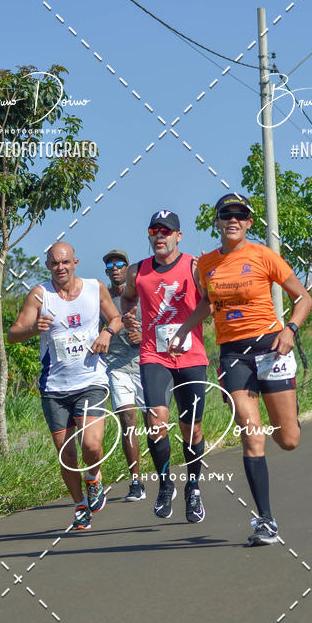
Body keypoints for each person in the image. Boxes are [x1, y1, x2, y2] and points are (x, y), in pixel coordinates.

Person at [169, 193, 312, 546]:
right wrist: (184, 329)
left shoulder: (264, 256)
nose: (233, 219)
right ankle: (266, 520)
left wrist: (290, 329)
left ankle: (288, 412)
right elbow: (208, 302)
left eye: (240, 215)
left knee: (288, 440)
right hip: (233, 354)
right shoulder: (206, 264)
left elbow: (302, 298)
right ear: (217, 222)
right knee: (252, 433)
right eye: (226, 214)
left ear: (248, 222)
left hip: (271, 348)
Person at [7, 241, 122, 530]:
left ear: (75, 262)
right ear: (48, 266)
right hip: (54, 388)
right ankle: (80, 505)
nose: (60, 267)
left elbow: (116, 318)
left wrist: (107, 333)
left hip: (91, 380)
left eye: (65, 262)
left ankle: (93, 477)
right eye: (55, 263)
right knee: (67, 455)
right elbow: (13, 334)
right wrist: (33, 328)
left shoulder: (95, 288)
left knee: (91, 445)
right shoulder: (40, 295)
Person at [121, 210, 209, 522]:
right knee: (156, 422)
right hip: (153, 355)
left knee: (191, 428)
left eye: (166, 231)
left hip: (191, 355)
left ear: (178, 236)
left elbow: (210, 304)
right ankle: (165, 484)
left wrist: (185, 329)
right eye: (154, 230)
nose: (160, 235)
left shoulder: (194, 266)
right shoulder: (137, 271)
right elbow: (128, 298)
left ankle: (193, 487)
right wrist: (129, 315)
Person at [102, 248, 146, 501]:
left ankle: (163, 476)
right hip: (116, 366)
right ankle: (136, 482)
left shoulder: (142, 295)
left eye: (119, 264)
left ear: (128, 269)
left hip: (145, 364)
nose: (115, 269)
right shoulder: (103, 300)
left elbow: (163, 324)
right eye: (110, 266)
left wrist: (144, 336)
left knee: (154, 424)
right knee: (128, 421)